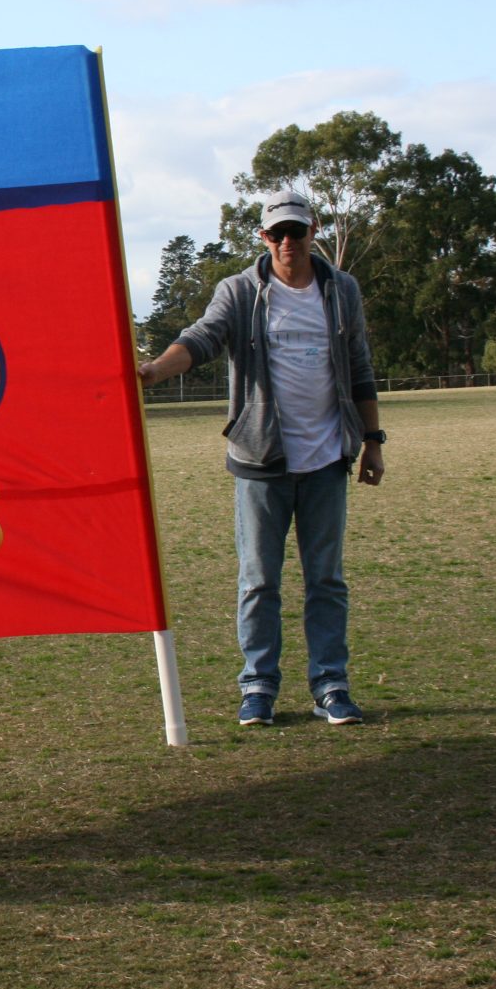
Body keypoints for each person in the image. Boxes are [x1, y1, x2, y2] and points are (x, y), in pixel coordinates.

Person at [137, 189, 385, 727]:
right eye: (278, 233)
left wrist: (373, 441)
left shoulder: (341, 291)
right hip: (260, 460)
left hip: (326, 460)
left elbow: (360, 367)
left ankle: (331, 685)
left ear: (312, 231)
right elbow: (201, 339)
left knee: (327, 580)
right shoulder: (240, 291)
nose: (288, 242)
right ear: (263, 237)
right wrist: (155, 370)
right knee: (258, 582)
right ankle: (258, 686)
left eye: (297, 231)